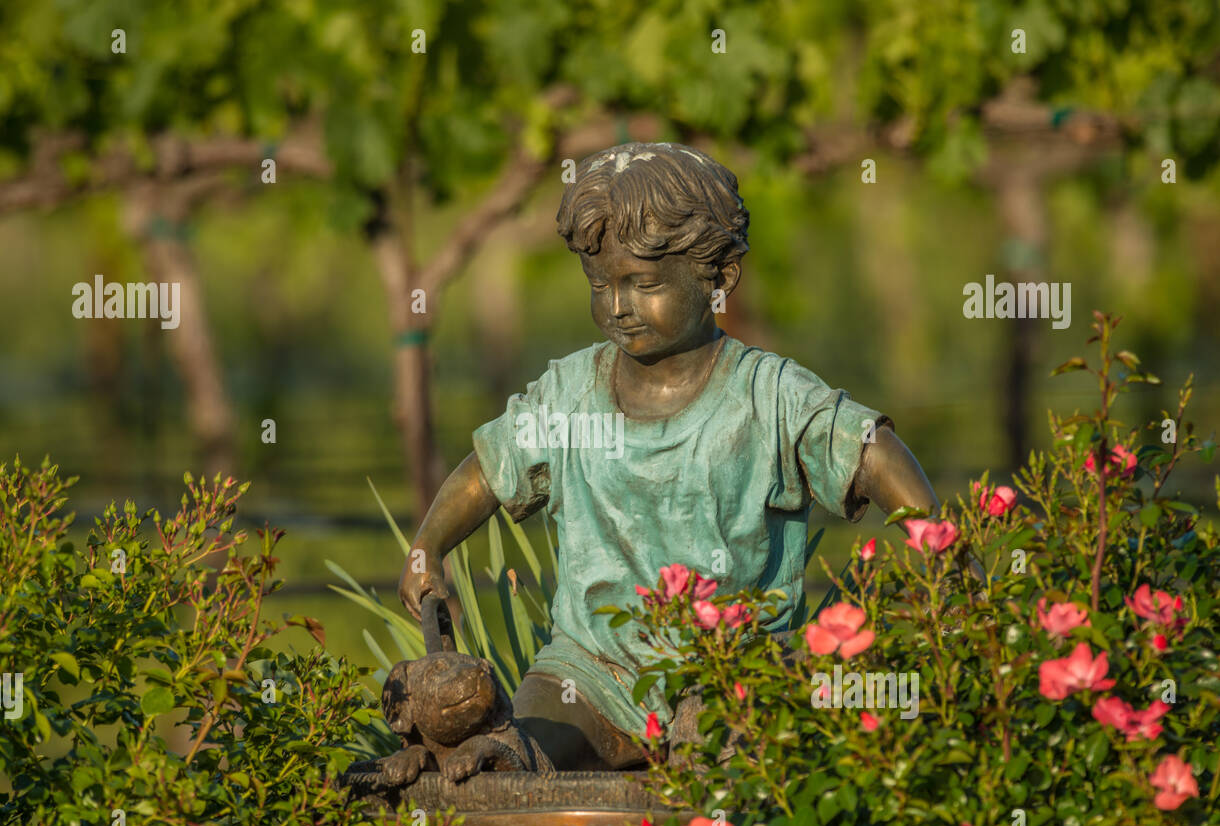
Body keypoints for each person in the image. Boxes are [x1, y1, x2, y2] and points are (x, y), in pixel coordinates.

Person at [398, 142, 941, 771]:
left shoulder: (768, 396)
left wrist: (944, 554)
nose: (618, 306)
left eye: (643, 284)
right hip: (588, 672)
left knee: (714, 743)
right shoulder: (571, 393)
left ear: (719, 278)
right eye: (600, 285)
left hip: (729, 666)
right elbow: (488, 472)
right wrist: (428, 547)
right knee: (521, 750)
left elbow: (870, 451)